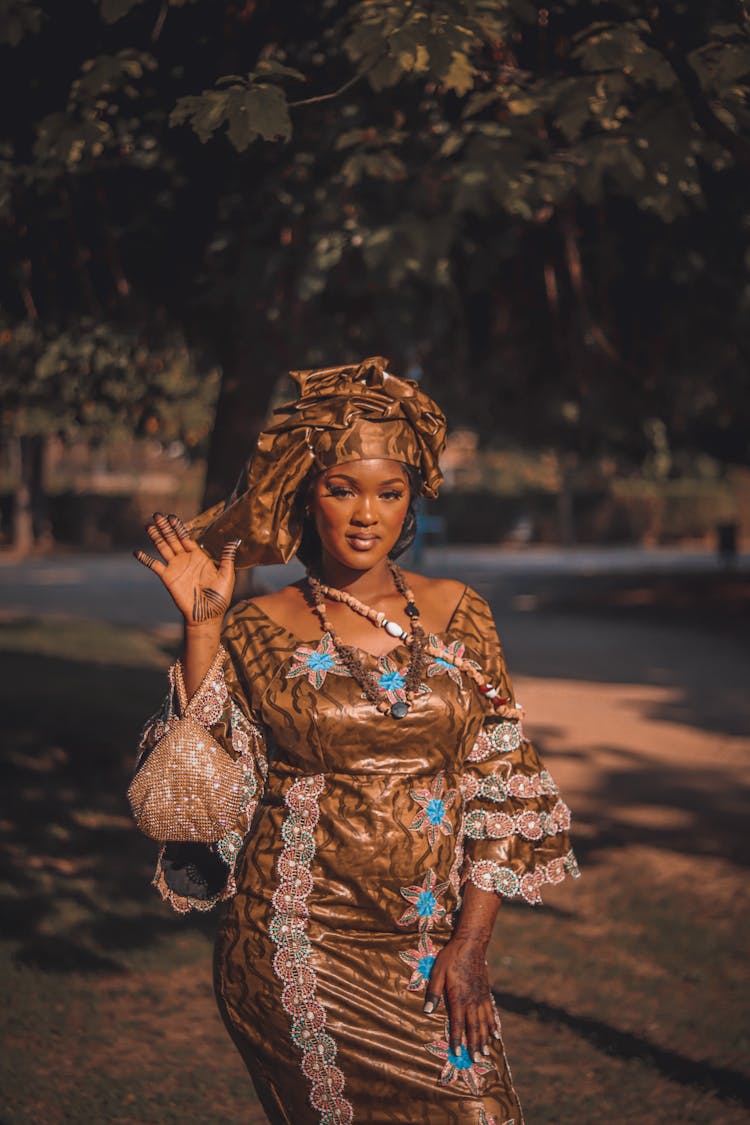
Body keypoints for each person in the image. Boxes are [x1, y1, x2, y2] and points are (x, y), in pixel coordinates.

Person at [132, 357, 579, 1125]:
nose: (366, 513)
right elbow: (200, 784)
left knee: (484, 1112)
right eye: (343, 488)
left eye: (389, 491)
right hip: (297, 941)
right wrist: (202, 627)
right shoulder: (256, 624)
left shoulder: (462, 612)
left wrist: (469, 949)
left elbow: (500, 782)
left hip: (430, 947)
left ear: (412, 503)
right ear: (310, 496)